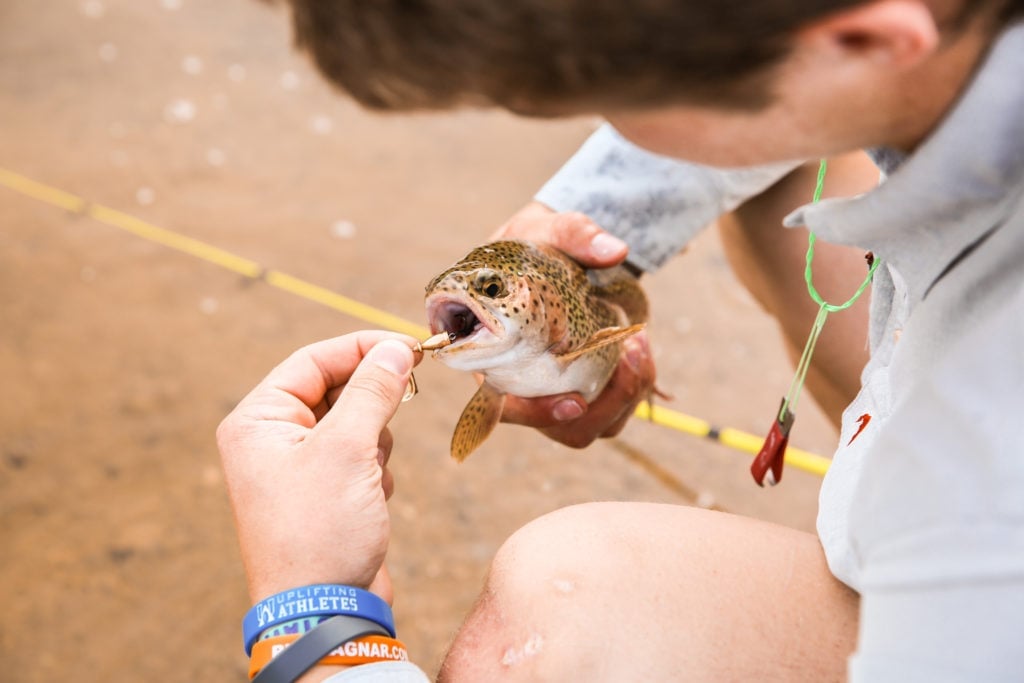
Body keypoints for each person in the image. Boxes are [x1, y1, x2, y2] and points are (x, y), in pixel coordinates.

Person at [218, 0, 1024, 680]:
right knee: (782, 175)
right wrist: (591, 227)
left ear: (870, 43)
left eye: (621, 105)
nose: (614, 131)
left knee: (559, 588)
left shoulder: (990, 456)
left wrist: (314, 614)